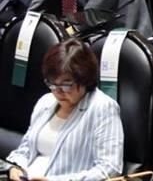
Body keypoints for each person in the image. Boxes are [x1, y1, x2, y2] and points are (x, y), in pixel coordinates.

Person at [6, 39, 123, 181]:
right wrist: (15, 167)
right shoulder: (46, 102)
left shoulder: (103, 108)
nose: (58, 92)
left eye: (66, 85)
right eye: (52, 84)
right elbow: (25, 149)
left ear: (85, 79)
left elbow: (109, 169)